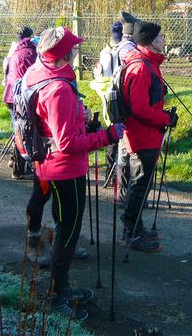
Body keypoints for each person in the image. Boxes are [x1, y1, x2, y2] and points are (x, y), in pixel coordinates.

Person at [23, 26, 124, 320]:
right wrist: (107, 136)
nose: (76, 53)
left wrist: (84, 125)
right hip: (64, 168)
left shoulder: (36, 72)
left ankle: (61, 287)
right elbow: (67, 143)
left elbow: (54, 129)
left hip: (46, 162)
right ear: (64, 55)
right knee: (69, 230)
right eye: (73, 49)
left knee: (63, 224)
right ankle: (56, 294)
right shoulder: (59, 89)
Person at [121, 20, 178, 253]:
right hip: (141, 135)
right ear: (152, 41)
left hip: (147, 134)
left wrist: (162, 116)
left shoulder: (148, 63)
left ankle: (136, 226)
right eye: (161, 36)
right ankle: (131, 233)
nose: (164, 39)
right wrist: (164, 119)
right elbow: (139, 108)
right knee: (139, 183)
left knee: (142, 184)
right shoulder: (141, 67)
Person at [2, 26, 37, 180]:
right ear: (30, 37)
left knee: (18, 129)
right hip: (21, 98)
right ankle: (19, 168)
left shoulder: (13, 52)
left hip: (10, 95)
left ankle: (14, 160)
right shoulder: (30, 52)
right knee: (23, 132)